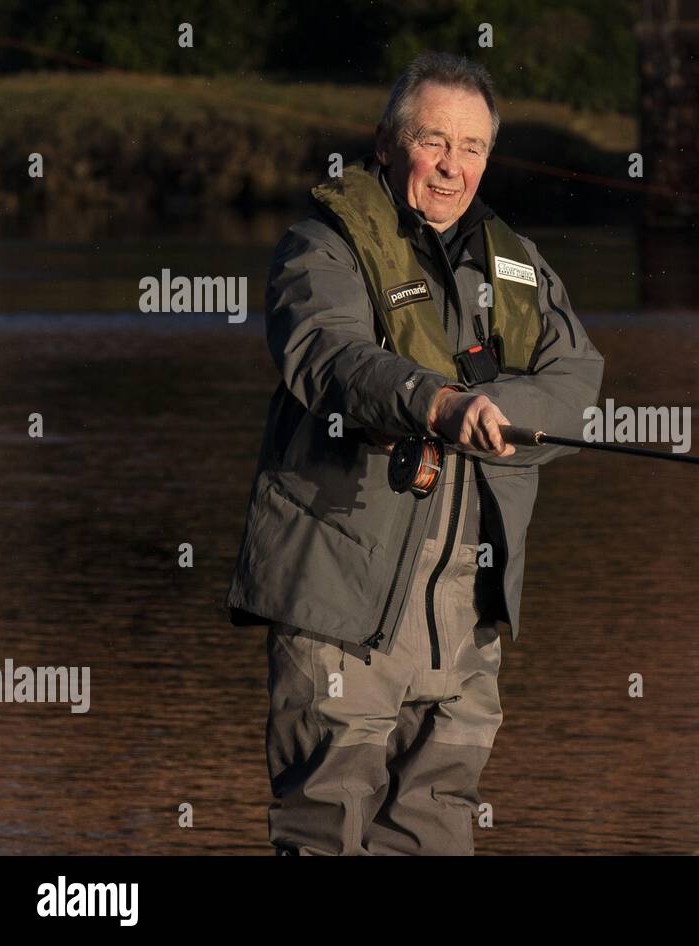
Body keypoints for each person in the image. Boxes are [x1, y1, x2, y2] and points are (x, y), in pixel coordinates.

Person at [225, 51, 604, 855]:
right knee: (324, 823)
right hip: (341, 602)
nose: (450, 166)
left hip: (467, 618)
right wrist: (434, 402)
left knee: (438, 826)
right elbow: (326, 355)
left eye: (471, 147)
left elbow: (576, 380)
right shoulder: (319, 247)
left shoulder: (517, 261)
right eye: (433, 141)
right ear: (388, 145)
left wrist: (500, 408)